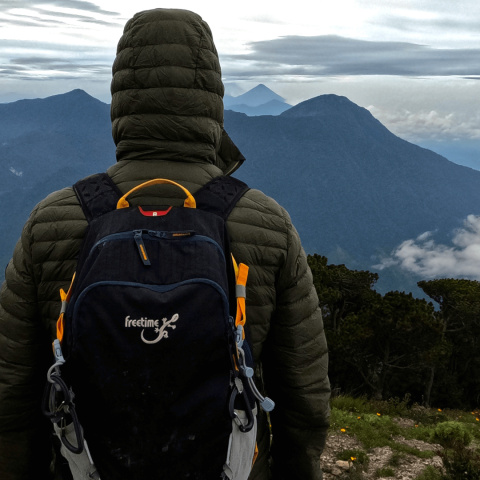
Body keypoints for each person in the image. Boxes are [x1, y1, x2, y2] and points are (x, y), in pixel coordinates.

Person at [0, 8, 330, 480]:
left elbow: (12, 392)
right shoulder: (267, 223)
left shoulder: (54, 219)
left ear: (121, 97)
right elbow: (304, 396)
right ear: (212, 95)